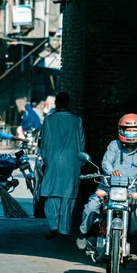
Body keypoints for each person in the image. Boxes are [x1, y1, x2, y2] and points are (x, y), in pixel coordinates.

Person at [76, 113, 137, 273]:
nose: (131, 133)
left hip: (130, 192)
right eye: (128, 129)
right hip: (108, 187)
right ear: (121, 130)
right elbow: (106, 163)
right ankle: (84, 233)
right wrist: (110, 172)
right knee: (91, 206)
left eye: (134, 130)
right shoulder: (114, 146)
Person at [40, 91, 85, 239]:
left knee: (52, 195)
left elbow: (45, 143)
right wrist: (81, 162)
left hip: (53, 162)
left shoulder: (49, 120)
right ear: (69, 103)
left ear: (56, 103)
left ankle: (53, 226)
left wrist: (45, 159)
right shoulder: (77, 120)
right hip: (73, 163)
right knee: (68, 197)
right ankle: (64, 230)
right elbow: (81, 143)